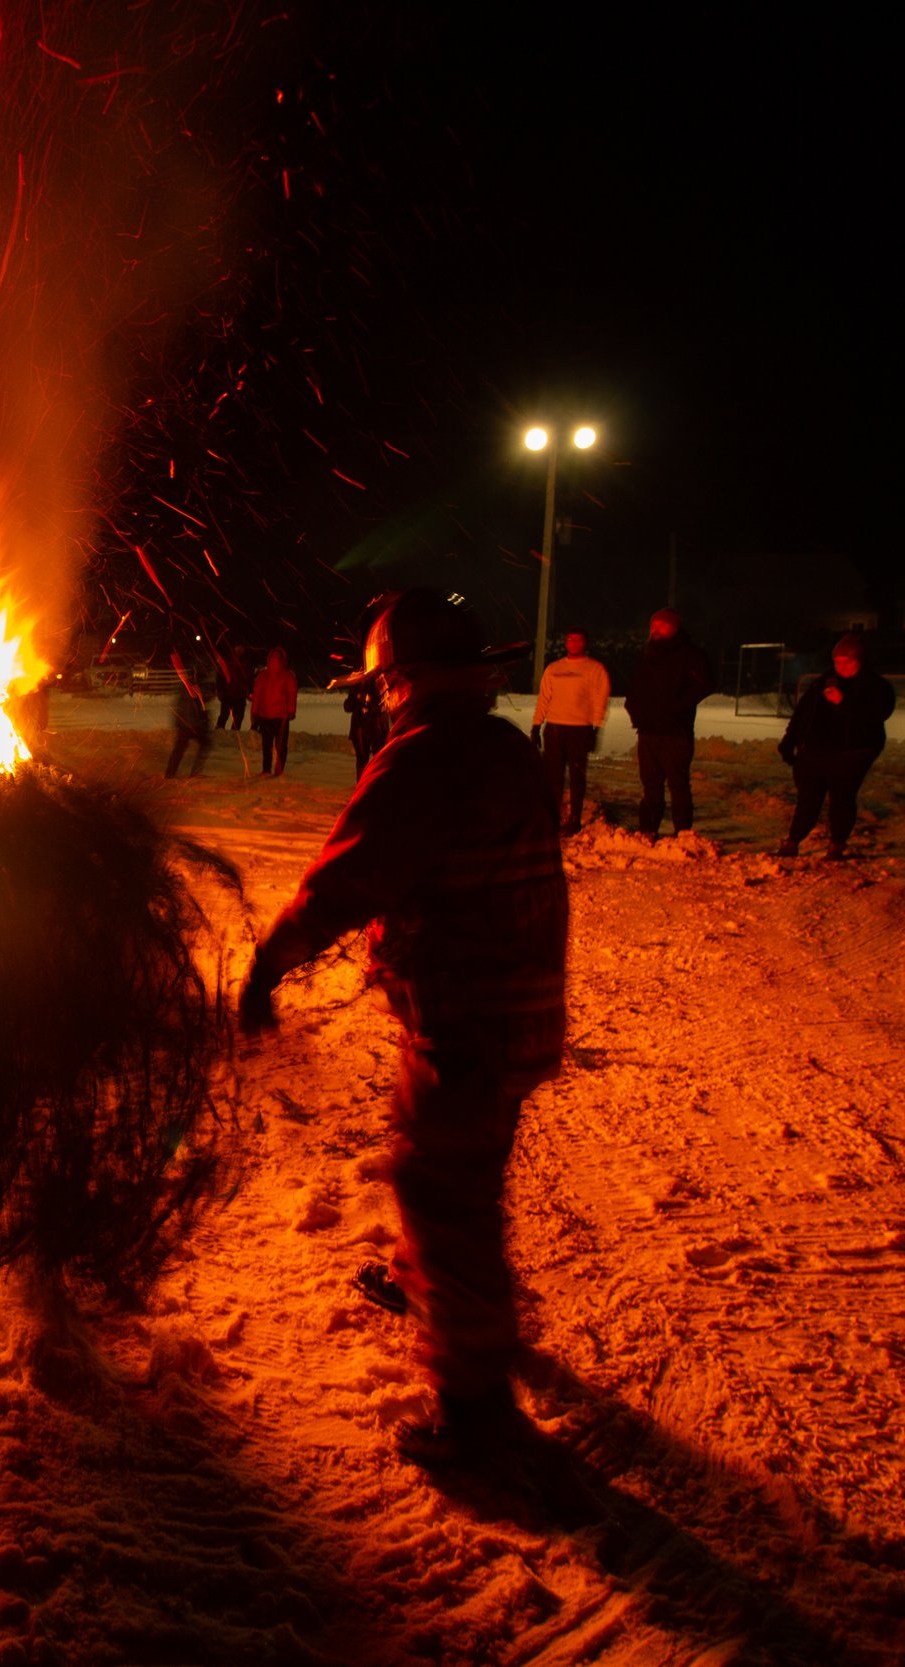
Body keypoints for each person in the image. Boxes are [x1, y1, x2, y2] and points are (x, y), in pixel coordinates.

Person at [239, 591, 564, 1469]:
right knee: (452, 1167)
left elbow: (348, 880)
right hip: (513, 1008)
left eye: (385, 685)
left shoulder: (424, 758)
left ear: (411, 681)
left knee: (441, 1191)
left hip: (469, 1018)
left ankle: (476, 1414)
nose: (381, 698)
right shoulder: (503, 746)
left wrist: (270, 962)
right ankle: (436, 1288)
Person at [777, 633, 896, 858]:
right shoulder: (824, 682)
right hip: (815, 752)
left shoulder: (874, 686)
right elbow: (803, 714)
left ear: (860, 661)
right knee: (808, 798)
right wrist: (789, 741)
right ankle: (793, 841)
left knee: (842, 797)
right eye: (838, 662)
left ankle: (837, 843)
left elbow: (878, 713)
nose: (842, 667)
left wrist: (843, 703)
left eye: (848, 662)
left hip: (852, 753)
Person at [623, 608, 714, 839]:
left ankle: (682, 832)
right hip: (648, 731)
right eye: (653, 626)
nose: (655, 630)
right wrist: (634, 711)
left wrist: (678, 707)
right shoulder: (648, 656)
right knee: (651, 783)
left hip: (676, 732)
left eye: (661, 625)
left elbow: (704, 684)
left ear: (674, 628)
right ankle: (648, 830)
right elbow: (634, 687)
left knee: (678, 784)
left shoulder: (690, 654)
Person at [530, 629, 610, 832]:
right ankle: (553, 816)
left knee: (577, 776)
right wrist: (536, 725)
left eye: (577, 640)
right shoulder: (554, 669)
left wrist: (596, 728)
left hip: (579, 729)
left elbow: (600, 699)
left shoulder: (594, 669)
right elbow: (544, 698)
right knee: (552, 776)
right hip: (555, 728)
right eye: (569, 640)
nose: (573, 643)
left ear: (585, 643)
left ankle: (574, 818)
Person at [250, 647, 299, 777]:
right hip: (280, 716)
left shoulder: (263, 675)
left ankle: (267, 768)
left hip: (266, 715)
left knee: (267, 744)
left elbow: (257, 696)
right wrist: (291, 711)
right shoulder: (288, 675)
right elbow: (292, 694)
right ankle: (278, 768)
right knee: (281, 745)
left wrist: (254, 713)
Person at [164, 650, 211, 778]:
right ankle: (192, 773)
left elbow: (181, 704)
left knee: (180, 749)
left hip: (186, 723)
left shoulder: (187, 682)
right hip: (191, 724)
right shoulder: (196, 684)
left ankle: (170, 773)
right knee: (200, 745)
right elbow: (202, 700)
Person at [215, 642, 251, 732]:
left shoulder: (247, 663)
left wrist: (249, 691)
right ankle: (219, 733)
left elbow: (249, 678)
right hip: (227, 693)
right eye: (237, 647)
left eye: (241, 647)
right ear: (234, 648)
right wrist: (220, 690)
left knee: (238, 717)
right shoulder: (227, 660)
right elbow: (220, 676)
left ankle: (235, 736)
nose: (239, 649)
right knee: (224, 715)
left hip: (240, 694)